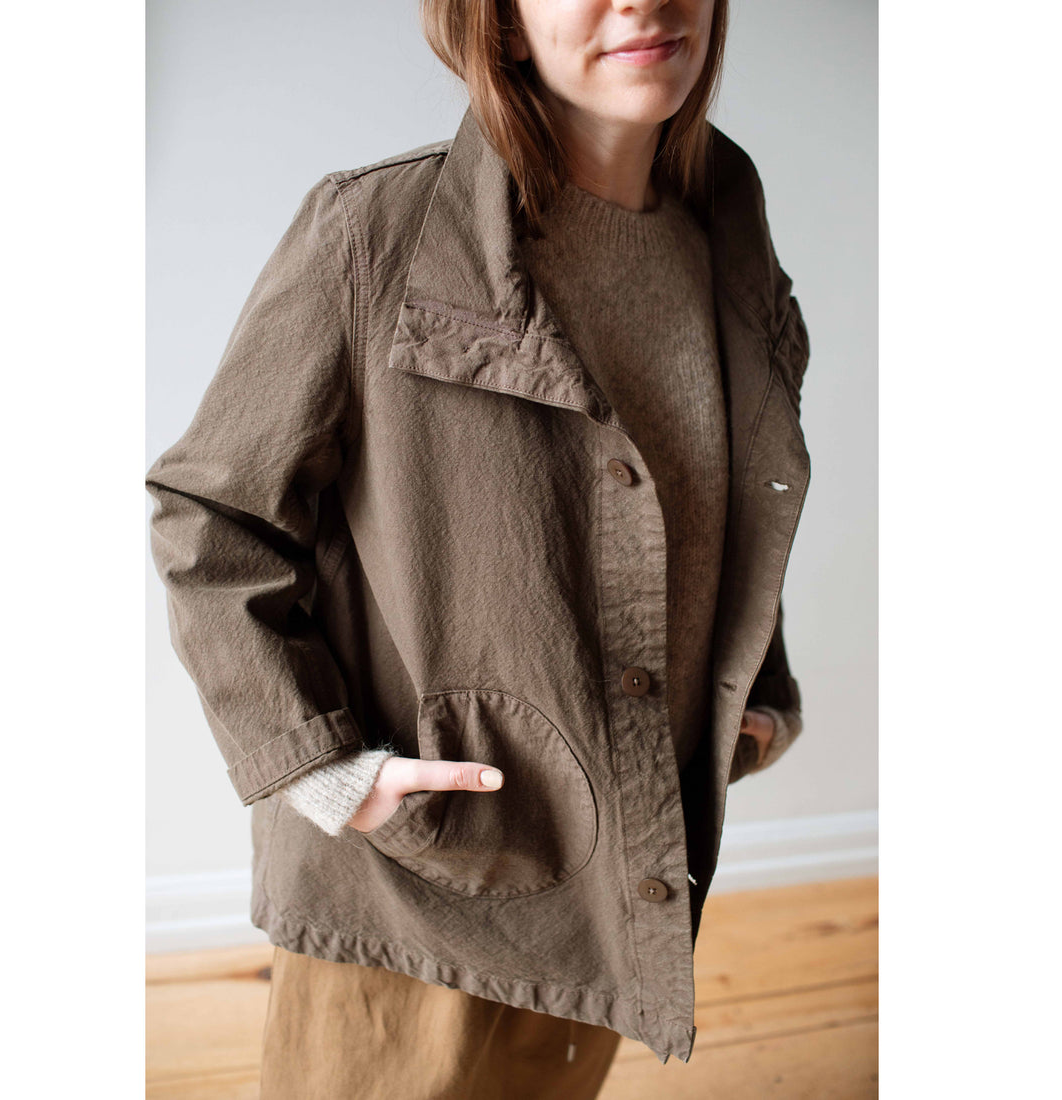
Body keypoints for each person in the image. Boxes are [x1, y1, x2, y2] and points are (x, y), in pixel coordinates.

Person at [146, 0, 812, 1095]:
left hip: (618, 881)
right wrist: (321, 769)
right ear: (497, 21)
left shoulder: (729, 244)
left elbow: (727, 500)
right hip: (414, 889)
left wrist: (752, 685)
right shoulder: (373, 233)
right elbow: (209, 517)